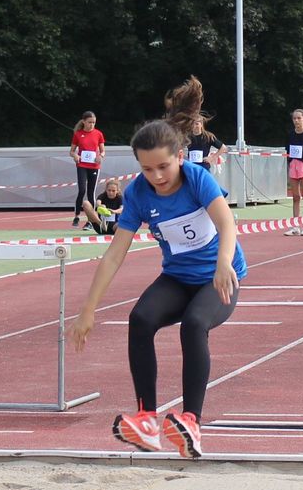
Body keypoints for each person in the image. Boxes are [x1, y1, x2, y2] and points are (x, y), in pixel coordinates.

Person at [67, 76, 248, 458]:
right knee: (140, 319)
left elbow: (226, 223)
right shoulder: (137, 193)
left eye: (163, 167)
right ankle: (147, 421)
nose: (158, 177)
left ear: (179, 156)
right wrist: (88, 310)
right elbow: (114, 254)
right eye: (147, 169)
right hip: (178, 278)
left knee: (194, 324)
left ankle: (191, 423)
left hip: (219, 279)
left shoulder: (197, 179)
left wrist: (222, 264)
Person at [69, 111, 106, 231]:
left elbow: (103, 151)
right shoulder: (78, 134)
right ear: (84, 122)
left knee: (91, 192)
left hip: (94, 166)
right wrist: (75, 155)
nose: (92, 125)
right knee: (82, 190)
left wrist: (101, 156)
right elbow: (71, 151)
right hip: (82, 165)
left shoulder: (98, 134)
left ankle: (90, 221)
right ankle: (76, 216)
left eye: (94, 122)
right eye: (89, 122)